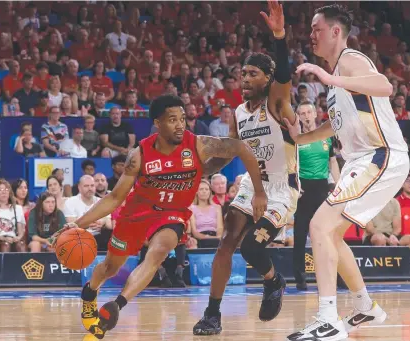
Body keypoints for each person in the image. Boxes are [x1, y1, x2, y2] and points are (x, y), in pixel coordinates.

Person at [51, 94, 267, 339]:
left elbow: (240, 148)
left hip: (172, 215)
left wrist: (259, 192)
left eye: (183, 119)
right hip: (136, 214)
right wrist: (77, 224)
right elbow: (114, 199)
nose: (180, 125)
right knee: (110, 267)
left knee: (158, 253)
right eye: (172, 120)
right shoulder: (139, 154)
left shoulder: (198, 144)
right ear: (158, 123)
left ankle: (117, 306)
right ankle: (90, 292)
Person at [283, 5, 409, 340]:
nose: (311, 35)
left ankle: (328, 319)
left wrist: (328, 78)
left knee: (318, 226)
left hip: (380, 156)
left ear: (336, 32)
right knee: (330, 233)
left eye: (316, 28)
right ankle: (365, 306)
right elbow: (333, 126)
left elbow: (385, 86)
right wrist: (301, 137)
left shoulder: (351, 60)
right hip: (362, 160)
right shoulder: (338, 78)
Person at [193, 2, 298, 335]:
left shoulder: (276, 103)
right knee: (227, 243)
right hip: (253, 186)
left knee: (252, 247)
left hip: (281, 189)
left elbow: (284, 73)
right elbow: (230, 151)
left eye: (253, 74)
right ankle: (212, 313)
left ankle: (273, 281)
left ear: (267, 79)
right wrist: (200, 172)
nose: (245, 79)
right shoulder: (239, 112)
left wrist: (279, 37)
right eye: (243, 74)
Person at [292, 101, 340, 291]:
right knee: (300, 236)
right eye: (301, 113)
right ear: (298, 117)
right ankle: (300, 278)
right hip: (303, 189)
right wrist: (294, 185)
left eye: (308, 112)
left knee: (328, 234)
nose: (305, 116)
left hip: (322, 188)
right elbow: (289, 164)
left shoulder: (327, 136)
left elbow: (332, 161)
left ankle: (336, 275)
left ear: (314, 114)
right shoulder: (295, 138)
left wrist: (339, 185)